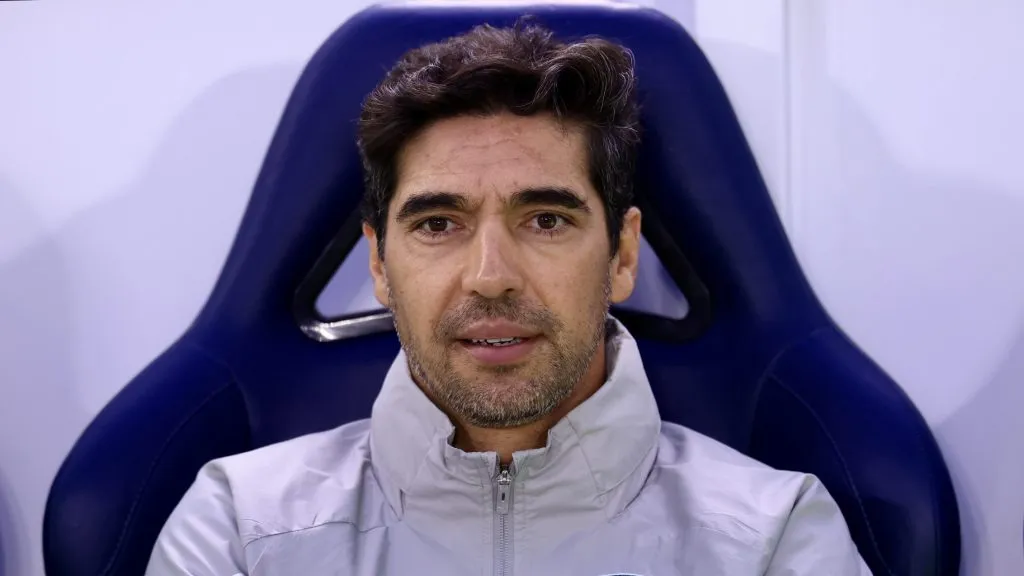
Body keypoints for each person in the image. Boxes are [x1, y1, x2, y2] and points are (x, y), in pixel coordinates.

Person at [145, 23, 872, 576]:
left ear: (622, 255)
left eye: (546, 220)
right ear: (380, 264)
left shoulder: (774, 540)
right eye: (438, 224)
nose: (491, 276)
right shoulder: (239, 530)